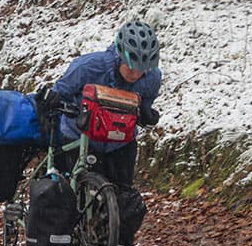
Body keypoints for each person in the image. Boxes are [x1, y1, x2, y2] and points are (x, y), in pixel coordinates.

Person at [39, 20, 162, 187]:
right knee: (72, 196)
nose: (136, 74)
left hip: (120, 141)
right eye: (131, 67)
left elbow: (142, 106)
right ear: (120, 56)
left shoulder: (152, 78)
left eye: (142, 68)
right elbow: (61, 92)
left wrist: (147, 114)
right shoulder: (88, 67)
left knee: (123, 197)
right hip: (81, 136)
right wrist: (54, 102)